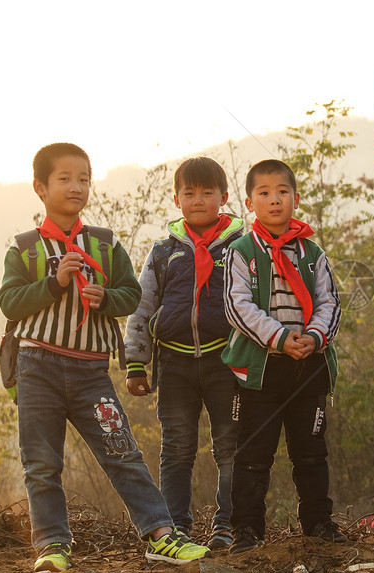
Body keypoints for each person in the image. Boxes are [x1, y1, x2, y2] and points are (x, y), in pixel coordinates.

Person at [0, 143, 210, 571]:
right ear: (40, 187)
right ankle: (53, 547)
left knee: (123, 451)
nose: (77, 187)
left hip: (92, 371)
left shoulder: (105, 244)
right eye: (65, 179)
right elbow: (9, 303)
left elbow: (132, 294)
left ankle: (161, 535)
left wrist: (106, 298)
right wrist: (55, 283)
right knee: (41, 463)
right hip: (36, 367)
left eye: (84, 179)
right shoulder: (24, 247)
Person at [221, 159, 347, 554]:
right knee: (253, 454)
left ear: (295, 197)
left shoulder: (312, 252)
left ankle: (317, 522)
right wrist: (279, 338)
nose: (274, 200)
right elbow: (237, 305)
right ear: (249, 202)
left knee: (311, 452)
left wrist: (313, 336)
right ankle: (246, 529)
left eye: (282, 192)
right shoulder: (240, 251)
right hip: (261, 368)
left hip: (309, 365)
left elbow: (330, 302)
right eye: (264, 193)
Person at [124, 156, 244, 550]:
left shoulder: (241, 247)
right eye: (189, 193)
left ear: (224, 197)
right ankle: (174, 527)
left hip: (227, 361)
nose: (197, 200)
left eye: (207, 192)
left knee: (230, 445)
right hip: (173, 362)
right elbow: (141, 308)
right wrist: (136, 362)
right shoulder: (163, 251)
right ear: (176, 199)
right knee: (176, 448)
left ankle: (227, 524)